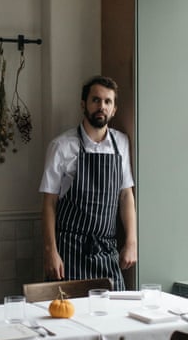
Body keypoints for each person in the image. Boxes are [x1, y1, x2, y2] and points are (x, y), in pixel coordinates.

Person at [39, 75, 137, 291]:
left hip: (107, 251)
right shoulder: (62, 146)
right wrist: (51, 252)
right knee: (67, 316)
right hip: (69, 251)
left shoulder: (121, 142)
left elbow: (126, 195)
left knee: (114, 317)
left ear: (114, 110)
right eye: (96, 100)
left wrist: (131, 243)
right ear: (84, 104)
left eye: (107, 101)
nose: (101, 106)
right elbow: (49, 203)